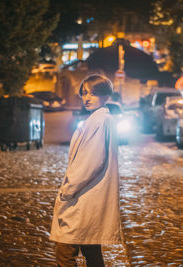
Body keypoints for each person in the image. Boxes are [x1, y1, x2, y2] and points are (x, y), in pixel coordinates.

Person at [50, 74, 120, 267]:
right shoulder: (97, 120)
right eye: (84, 93)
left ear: (106, 96)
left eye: (93, 93)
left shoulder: (100, 121)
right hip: (87, 197)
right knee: (91, 251)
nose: (87, 98)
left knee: (65, 252)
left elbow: (90, 162)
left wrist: (68, 190)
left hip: (82, 197)